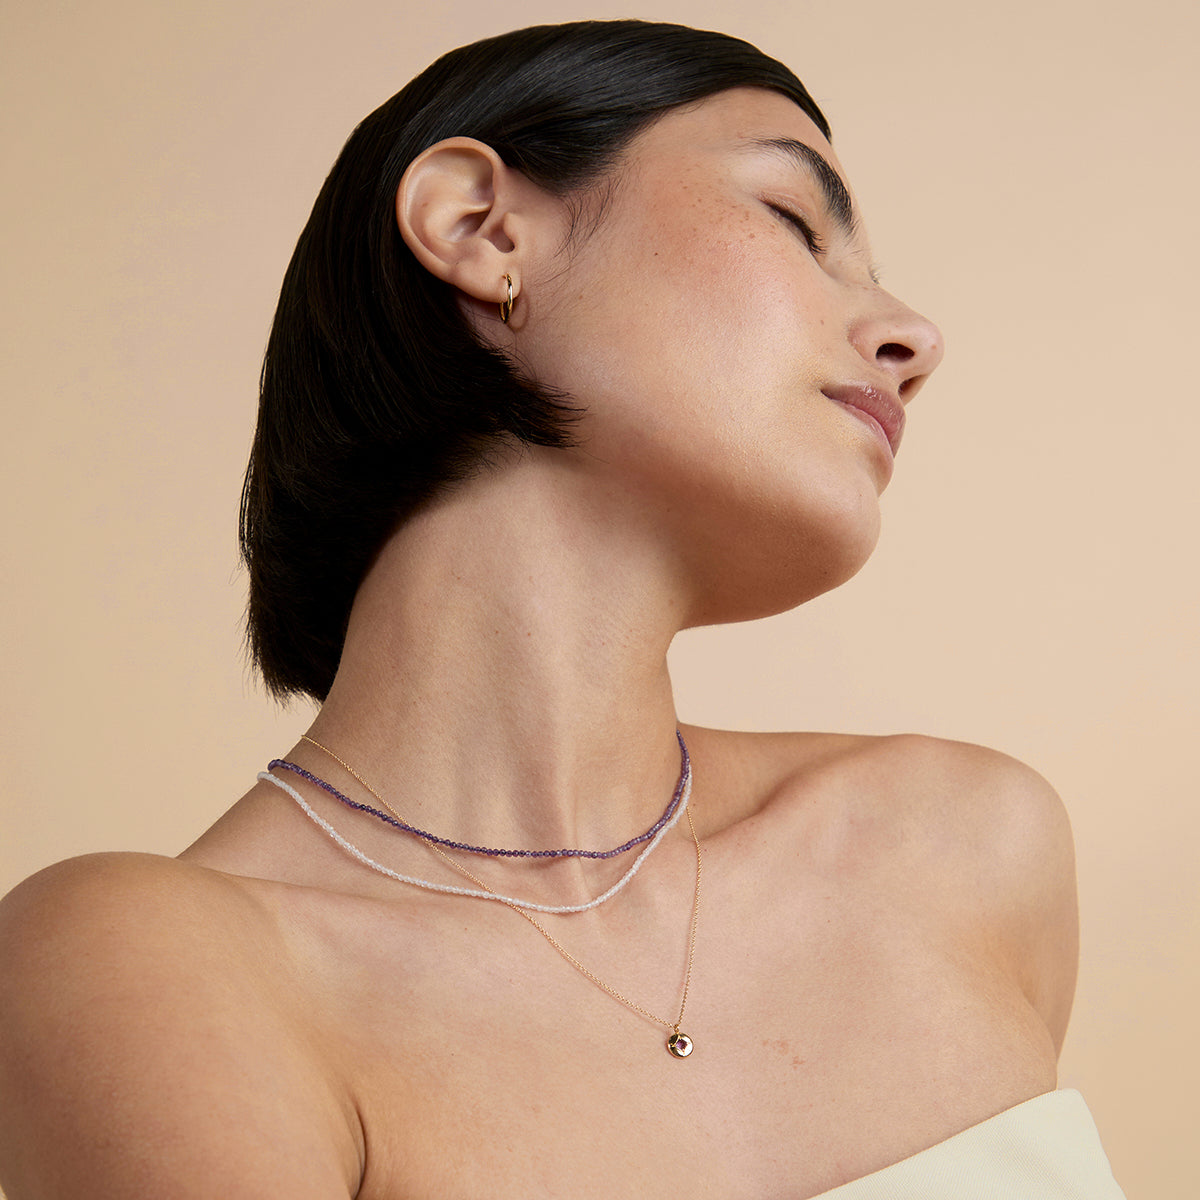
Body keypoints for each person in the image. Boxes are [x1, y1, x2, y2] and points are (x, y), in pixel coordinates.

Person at [0, 19, 1125, 1199]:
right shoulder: (157, 970)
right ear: (480, 229)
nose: (915, 337)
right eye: (797, 222)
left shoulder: (967, 850)